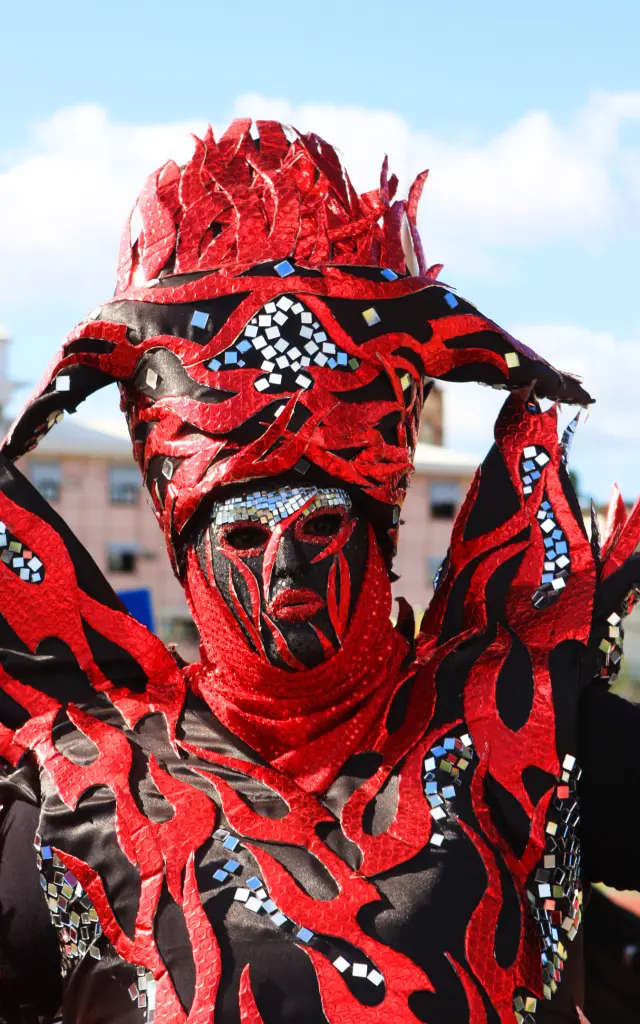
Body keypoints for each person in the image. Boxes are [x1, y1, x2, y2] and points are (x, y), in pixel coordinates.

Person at [0, 118, 639, 1024]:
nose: (289, 564)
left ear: (380, 530)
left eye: (325, 523)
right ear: (188, 552)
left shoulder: (524, 729)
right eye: (245, 535)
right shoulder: (82, 787)